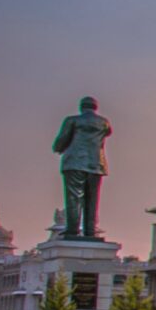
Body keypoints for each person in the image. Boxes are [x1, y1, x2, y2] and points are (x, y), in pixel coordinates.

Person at [53, 96, 112, 239]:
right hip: (96, 164)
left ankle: (72, 230)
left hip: (75, 162)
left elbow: (61, 141)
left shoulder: (72, 120)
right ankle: (90, 231)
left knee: (74, 196)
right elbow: (107, 133)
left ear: (81, 107)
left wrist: (58, 148)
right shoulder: (104, 123)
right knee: (92, 199)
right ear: (95, 108)